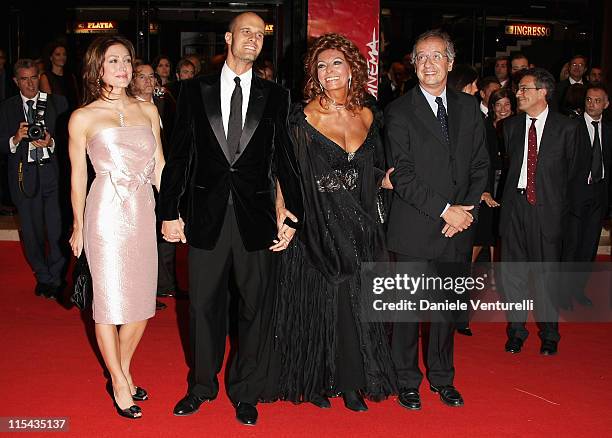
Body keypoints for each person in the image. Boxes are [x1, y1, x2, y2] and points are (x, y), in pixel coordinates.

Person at [159, 12, 303, 426]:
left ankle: (246, 391)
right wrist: (170, 212)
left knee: (256, 308)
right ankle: (201, 386)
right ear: (228, 37)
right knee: (203, 306)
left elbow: (284, 160)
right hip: (204, 216)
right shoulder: (192, 91)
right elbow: (179, 157)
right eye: (246, 32)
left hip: (255, 219)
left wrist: (292, 215)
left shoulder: (275, 95)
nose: (253, 40)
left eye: (260, 35)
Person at [263, 33, 397, 412]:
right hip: (316, 224)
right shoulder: (302, 116)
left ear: (352, 68)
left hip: (360, 223)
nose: (329, 71)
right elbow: (282, 171)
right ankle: (317, 381)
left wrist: (389, 180)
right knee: (320, 303)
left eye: (336, 63)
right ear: (314, 74)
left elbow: (372, 171)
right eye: (321, 65)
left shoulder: (369, 114)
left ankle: (352, 383)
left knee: (354, 303)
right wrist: (281, 212)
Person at [385, 29, 489, 410]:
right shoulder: (398, 112)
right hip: (414, 226)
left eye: (436, 56)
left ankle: (443, 378)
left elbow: (481, 165)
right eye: (421, 58)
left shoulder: (468, 107)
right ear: (414, 66)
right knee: (408, 314)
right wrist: (447, 211)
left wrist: (465, 211)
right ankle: (406, 380)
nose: (428, 64)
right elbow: (403, 175)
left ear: (450, 61)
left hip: (458, 227)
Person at [68, 35, 165, 419]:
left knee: (142, 303)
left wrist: (175, 210)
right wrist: (77, 225)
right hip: (105, 211)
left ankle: (119, 369)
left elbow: (159, 165)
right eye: (113, 61)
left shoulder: (148, 111)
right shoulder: (83, 117)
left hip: (142, 208)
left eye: (126, 60)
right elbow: (77, 176)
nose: (123, 67)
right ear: (98, 69)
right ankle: (121, 382)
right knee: (108, 303)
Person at [499, 68, 579, 357]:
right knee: (514, 274)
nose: (517, 94)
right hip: (515, 208)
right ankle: (517, 332)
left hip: (548, 210)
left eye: (524, 89)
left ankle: (549, 333)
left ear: (543, 92)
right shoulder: (509, 128)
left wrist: (564, 214)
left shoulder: (567, 128)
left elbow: (574, 176)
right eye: (518, 89)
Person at [0, 58, 68, 298]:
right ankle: (43, 276)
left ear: (39, 76)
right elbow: (1, 145)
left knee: (56, 229)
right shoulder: (6, 108)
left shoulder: (58, 103)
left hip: (52, 175)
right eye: (24, 79)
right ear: (16, 81)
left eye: (33, 78)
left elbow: (72, 142)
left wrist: (51, 142)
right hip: (22, 178)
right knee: (31, 232)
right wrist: (15, 139)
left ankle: (58, 277)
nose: (30, 84)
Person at [563, 84, 611, 307]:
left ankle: (578, 290)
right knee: (571, 245)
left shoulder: (609, 130)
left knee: (589, 246)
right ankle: (562, 293)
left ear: (606, 104)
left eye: (597, 101)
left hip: (598, 195)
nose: (592, 104)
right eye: (589, 100)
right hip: (574, 195)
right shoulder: (572, 126)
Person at [39, 43, 80, 110]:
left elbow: (77, 99)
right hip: (56, 116)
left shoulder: (71, 76)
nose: (62, 57)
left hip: (73, 114)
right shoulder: (45, 77)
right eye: (58, 54)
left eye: (64, 54)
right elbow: (49, 104)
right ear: (51, 57)